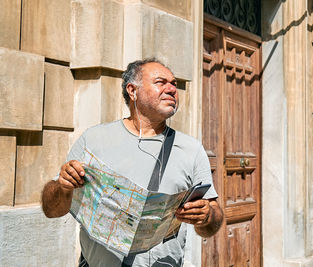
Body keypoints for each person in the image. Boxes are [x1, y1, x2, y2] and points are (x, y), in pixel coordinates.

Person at [41, 58, 223, 266]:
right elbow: (51, 210)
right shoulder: (94, 140)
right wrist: (62, 187)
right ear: (132, 91)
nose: (172, 89)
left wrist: (207, 216)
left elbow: (212, 224)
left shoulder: (191, 149)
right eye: (161, 82)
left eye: (174, 83)